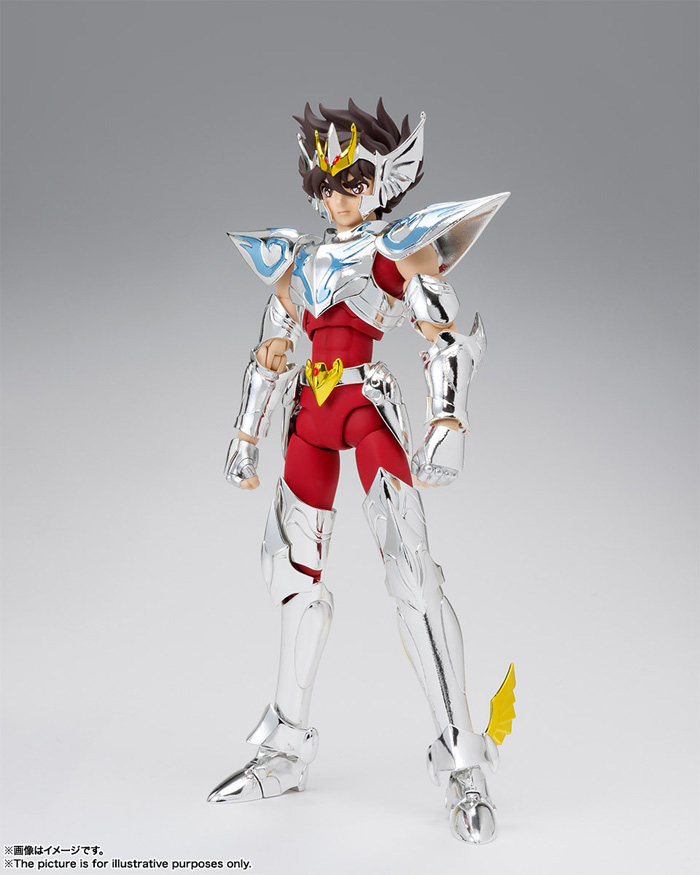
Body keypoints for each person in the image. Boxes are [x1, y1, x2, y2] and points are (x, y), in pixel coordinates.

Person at [207, 99, 515, 844]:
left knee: (412, 575)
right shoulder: (297, 262)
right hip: (309, 417)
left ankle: (464, 762)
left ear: (385, 182)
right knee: (292, 579)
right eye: (327, 183)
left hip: (366, 409)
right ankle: (285, 748)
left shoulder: (398, 248)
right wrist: (246, 432)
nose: (338, 197)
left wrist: (447, 421)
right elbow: (272, 352)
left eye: (353, 181)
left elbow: (443, 333)